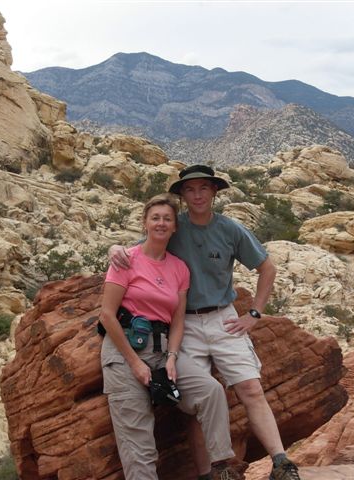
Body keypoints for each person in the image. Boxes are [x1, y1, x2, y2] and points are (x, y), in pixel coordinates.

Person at [109, 165, 303, 480]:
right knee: (194, 400)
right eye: (190, 189)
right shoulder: (173, 226)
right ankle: (212, 473)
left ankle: (281, 463)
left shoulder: (231, 229)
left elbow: (267, 269)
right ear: (182, 195)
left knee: (251, 388)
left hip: (224, 319)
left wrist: (254, 313)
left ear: (214, 192)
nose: (197, 195)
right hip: (183, 323)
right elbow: (139, 248)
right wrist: (114, 248)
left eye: (203, 188)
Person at [100, 193, 243, 480]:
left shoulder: (179, 268)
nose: (161, 223)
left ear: (175, 226)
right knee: (140, 444)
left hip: (163, 351)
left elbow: (177, 321)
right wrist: (135, 363)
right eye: (155, 218)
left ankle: (220, 467)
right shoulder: (126, 260)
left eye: (167, 219)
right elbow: (106, 315)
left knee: (211, 391)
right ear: (145, 223)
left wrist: (173, 358)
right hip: (123, 354)